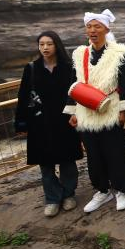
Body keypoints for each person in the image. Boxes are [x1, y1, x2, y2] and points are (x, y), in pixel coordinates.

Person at [65, 9, 125, 213]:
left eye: (97, 26)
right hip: (86, 112)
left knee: (117, 151)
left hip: (111, 109)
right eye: (89, 27)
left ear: (106, 29)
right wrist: (72, 111)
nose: (92, 30)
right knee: (94, 154)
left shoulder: (120, 54)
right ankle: (102, 190)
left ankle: (121, 190)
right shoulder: (79, 54)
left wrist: (123, 111)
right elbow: (74, 83)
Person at [15, 31, 83, 217]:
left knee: (67, 160)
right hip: (40, 122)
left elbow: (77, 92)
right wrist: (21, 123)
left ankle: (68, 194)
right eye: (41, 44)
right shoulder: (32, 68)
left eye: (49, 44)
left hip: (64, 120)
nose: (45, 48)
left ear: (57, 45)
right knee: (45, 163)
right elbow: (23, 96)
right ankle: (52, 198)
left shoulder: (69, 67)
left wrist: (77, 114)